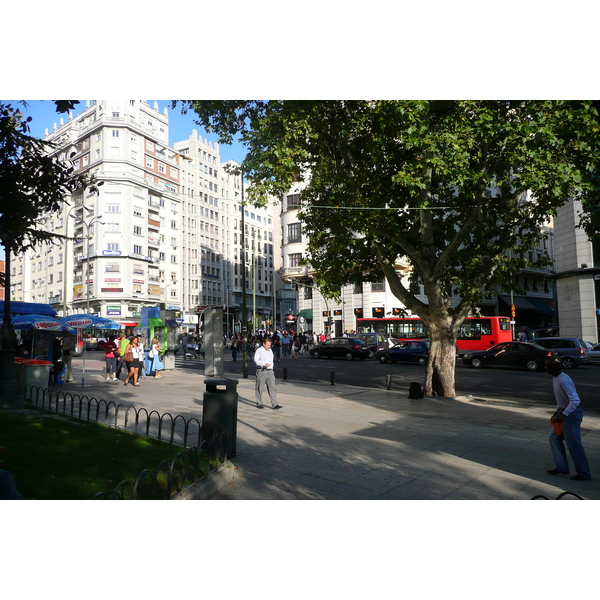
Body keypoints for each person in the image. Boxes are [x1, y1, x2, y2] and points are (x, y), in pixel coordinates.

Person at [545, 356, 592, 481]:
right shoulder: (556, 378)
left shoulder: (563, 380)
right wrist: (557, 412)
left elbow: (575, 400)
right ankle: (561, 467)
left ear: (554, 367)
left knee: (574, 445)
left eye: (547, 365)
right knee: (554, 439)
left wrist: (563, 414)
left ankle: (584, 473)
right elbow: (562, 399)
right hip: (563, 412)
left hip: (571, 415)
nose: (545, 367)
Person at [253, 337, 282, 410]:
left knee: (272, 387)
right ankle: (259, 403)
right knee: (260, 387)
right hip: (262, 370)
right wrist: (263, 364)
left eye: (270, 345)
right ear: (264, 344)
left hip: (270, 371)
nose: (269, 347)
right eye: (267, 345)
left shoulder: (270, 350)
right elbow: (256, 360)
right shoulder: (259, 350)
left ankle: (274, 404)